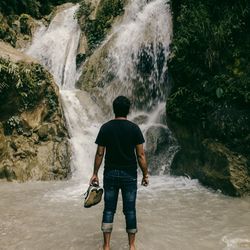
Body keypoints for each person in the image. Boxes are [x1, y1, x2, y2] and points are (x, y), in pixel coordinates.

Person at [89, 96, 149, 250]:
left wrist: (95, 173)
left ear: (113, 109)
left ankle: (106, 246)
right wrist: (145, 174)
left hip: (110, 174)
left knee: (109, 209)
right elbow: (141, 155)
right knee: (130, 210)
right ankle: (132, 246)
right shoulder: (134, 128)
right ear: (128, 110)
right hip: (129, 175)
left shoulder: (106, 128)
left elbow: (100, 153)